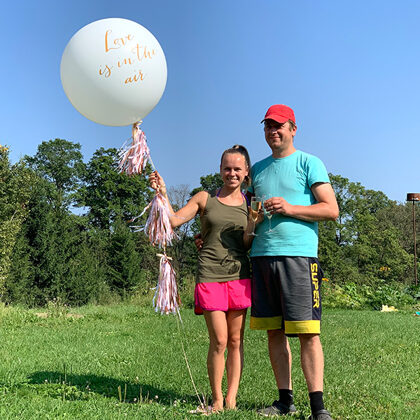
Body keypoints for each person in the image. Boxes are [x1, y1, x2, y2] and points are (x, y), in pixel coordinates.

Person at [150, 145, 259, 413]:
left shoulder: (250, 202)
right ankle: (217, 400)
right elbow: (174, 221)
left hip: (239, 277)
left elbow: (246, 244)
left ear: (246, 172)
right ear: (220, 170)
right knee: (219, 340)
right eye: (227, 168)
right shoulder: (204, 198)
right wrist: (163, 192)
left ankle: (231, 400)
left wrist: (253, 223)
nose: (232, 173)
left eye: (237, 169)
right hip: (210, 275)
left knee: (236, 341)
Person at [249, 104, 339, 420]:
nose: (273, 131)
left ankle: (318, 408)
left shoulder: (309, 162)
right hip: (262, 257)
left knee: (307, 332)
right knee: (274, 332)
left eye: (278, 125)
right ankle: (284, 401)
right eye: (268, 126)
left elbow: (331, 209)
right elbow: (250, 216)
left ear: (293, 129)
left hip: (299, 257)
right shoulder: (257, 169)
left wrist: (289, 208)